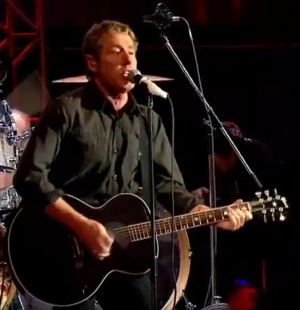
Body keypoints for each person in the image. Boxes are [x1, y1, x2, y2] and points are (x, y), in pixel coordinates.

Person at [13, 20, 253, 310]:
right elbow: (29, 178)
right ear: (92, 62)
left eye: (132, 52)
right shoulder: (67, 111)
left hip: (122, 249)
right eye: (116, 52)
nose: (129, 60)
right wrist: (84, 226)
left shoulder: (147, 120)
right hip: (64, 247)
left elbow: (167, 184)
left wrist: (209, 214)